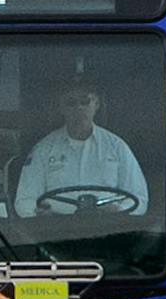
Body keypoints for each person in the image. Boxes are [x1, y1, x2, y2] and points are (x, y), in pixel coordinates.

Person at [13, 74, 148, 216]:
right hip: (56, 230)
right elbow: (25, 200)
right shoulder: (43, 150)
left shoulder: (117, 147)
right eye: (71, 102)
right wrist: (38, 216)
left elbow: (138, 197)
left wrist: (120, 212)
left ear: (96, 104)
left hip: (108, 228)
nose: (78, 107)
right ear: (61, 108)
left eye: (85, 101)